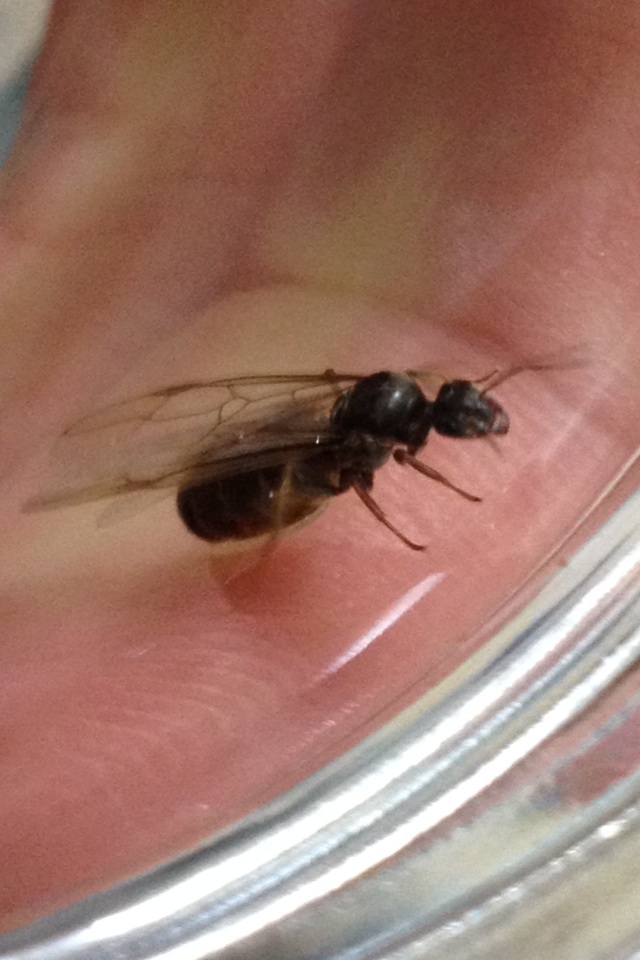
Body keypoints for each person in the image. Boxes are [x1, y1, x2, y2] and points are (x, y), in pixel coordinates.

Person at [0, 0, 637, 931]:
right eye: (467, 417)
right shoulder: (372, 431)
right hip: (227, 495)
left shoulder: (390, 401)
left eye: (469, 413)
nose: (476, 420)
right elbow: (333, 463)